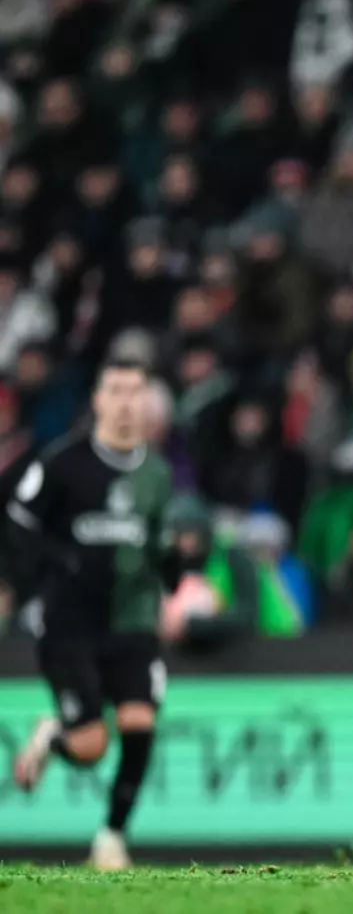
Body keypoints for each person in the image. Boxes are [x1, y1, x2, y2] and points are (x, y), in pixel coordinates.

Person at [9, 358, 184, 870]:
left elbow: (160, 539)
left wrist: (175, 567)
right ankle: (54, 736)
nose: (127, 402)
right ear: (98, 400)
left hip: (133, 618)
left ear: (147, 402)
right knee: (90, 747)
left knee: (139, 721)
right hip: (70, 624)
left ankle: (111, 838)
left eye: (135, 391)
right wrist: (47, 568)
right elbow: (19, 520)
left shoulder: (157, 473)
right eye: (116, 391)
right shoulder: (63, 462)